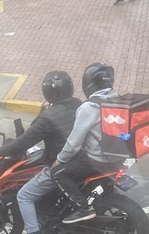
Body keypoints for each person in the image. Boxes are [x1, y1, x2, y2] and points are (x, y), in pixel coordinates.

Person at [0, 71, 82, 234]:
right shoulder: (77, 103)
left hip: (61, 165)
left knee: (24, 196)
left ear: (47, 93)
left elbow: (26, 140)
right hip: (81, 160)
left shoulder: (48, 117)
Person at [51, 62, 123, 224]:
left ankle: (83, 208)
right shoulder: (118, 98)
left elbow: (73, 144)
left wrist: (59, 160)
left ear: (89, 82)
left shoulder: (89, 107)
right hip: (119, 157)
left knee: (58, 173)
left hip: (98, 160)